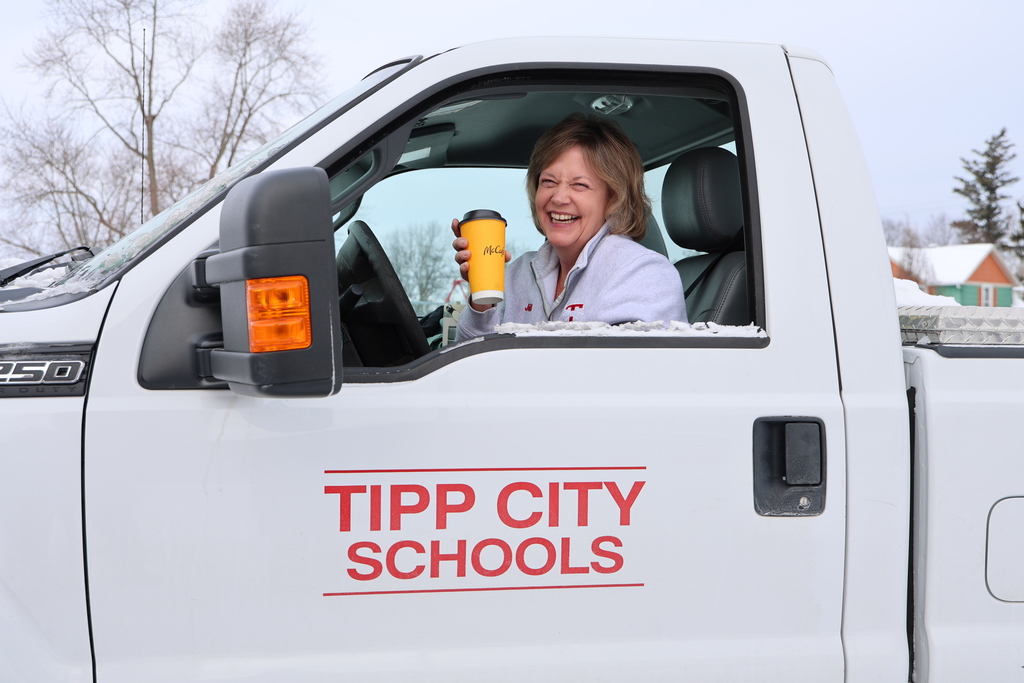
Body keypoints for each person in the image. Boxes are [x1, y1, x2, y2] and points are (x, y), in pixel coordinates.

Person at [452, 113, 687, 341]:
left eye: (579, 185)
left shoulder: (645, 274)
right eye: (548, 181)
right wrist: (482, 298)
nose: (559, 197)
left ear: (614, 198)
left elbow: (638, 366)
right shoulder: (518, 273)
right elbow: (470, 356)